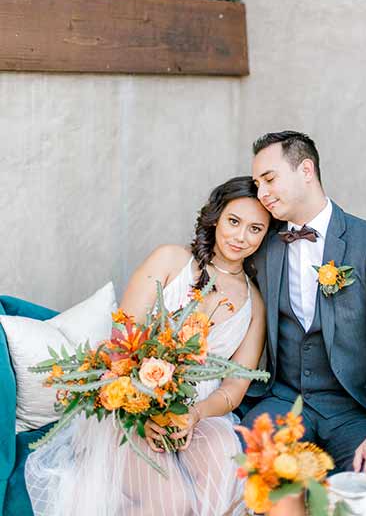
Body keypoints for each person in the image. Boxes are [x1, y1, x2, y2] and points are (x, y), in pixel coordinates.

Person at [25, 176, 270, 516]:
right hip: (137, 402)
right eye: (233, 221)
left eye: (255, 229)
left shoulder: (254, 304)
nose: (241, 236)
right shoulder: (170, 261)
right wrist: (148, 410)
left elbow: (236, 386)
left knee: (220, 472)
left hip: (202, 414)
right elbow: (123, 338)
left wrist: (195, 414)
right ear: (216, 217)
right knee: (174, 503)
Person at [241, 130, 366, 478]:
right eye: (257, 184)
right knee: (251, 469)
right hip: (284, 401)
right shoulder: (263, 246)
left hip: (353, 409)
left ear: (307, 171)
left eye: (269, 179)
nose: (262, 194)